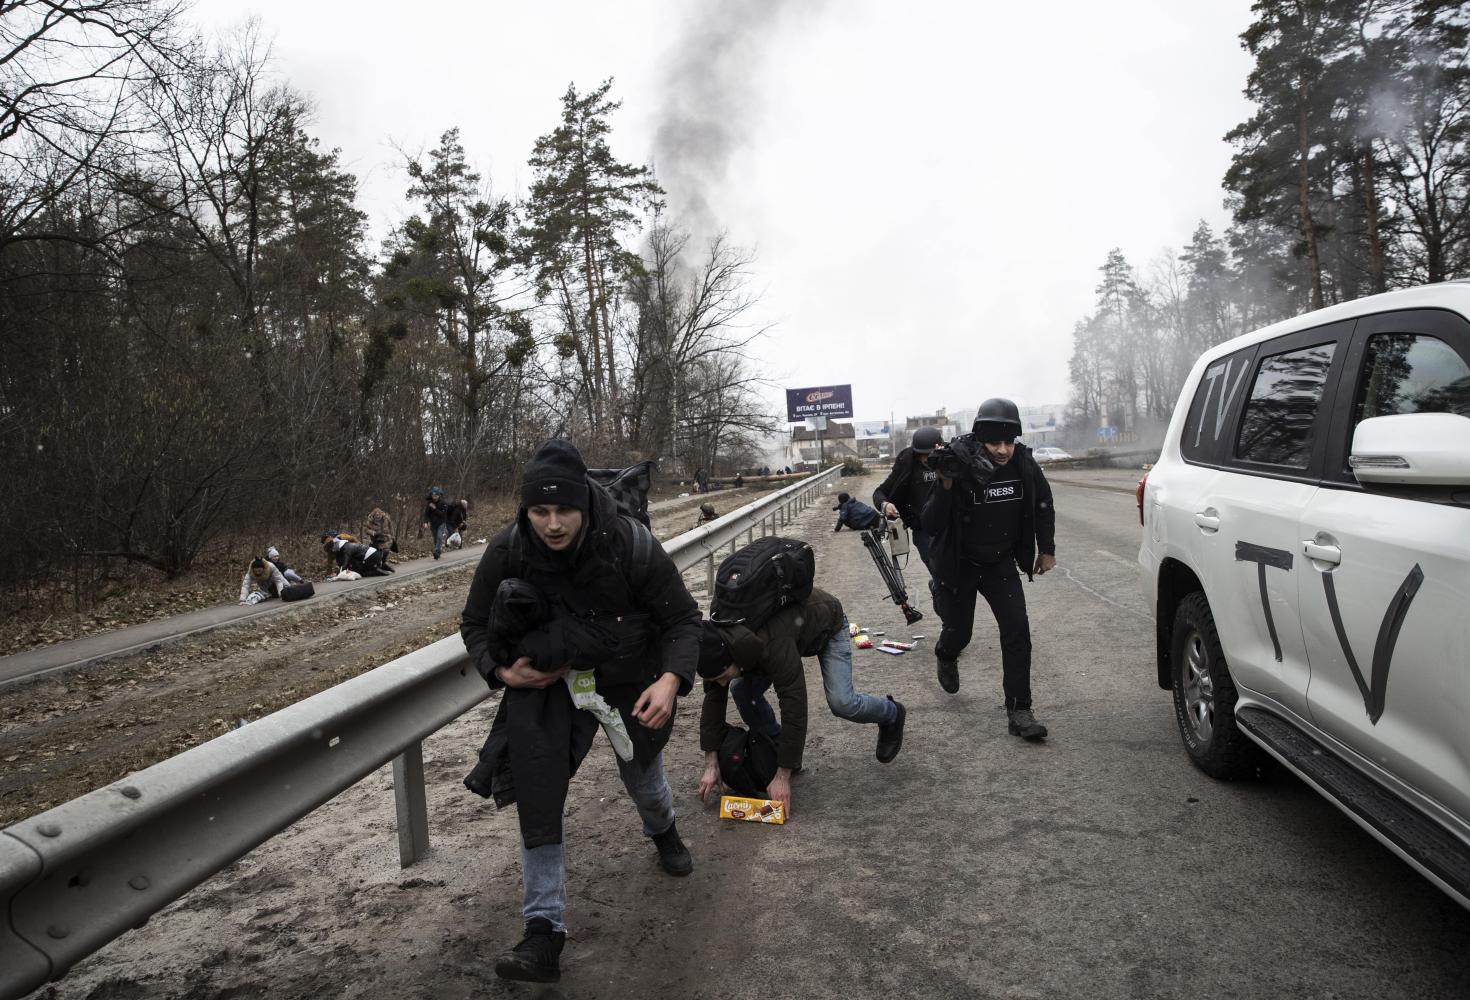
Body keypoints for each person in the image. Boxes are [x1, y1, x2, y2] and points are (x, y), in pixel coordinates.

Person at [460, 438, 702, 985]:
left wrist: (670, 680)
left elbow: (684, 621)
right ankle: (542, 932)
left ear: (584, 506)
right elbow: (473, 625)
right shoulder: (509, 548)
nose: (551, 524)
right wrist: (500, 672)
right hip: (548, 680)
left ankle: (662, 829)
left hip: (626, 676)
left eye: (563, 510)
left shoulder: (630, 544)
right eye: (539, 511)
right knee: (536, 790)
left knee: (644, 782)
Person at [696, 587, 905, 816]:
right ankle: (778, 747)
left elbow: (794, 705)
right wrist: (711, 763)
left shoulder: (772, 645)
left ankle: (892, 713)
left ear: (732, 657)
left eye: (722, 675)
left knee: (842, 702)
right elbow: (714, 700)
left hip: (827, 626)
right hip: (787, 634)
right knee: (740, 689)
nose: (721, 682)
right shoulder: (717, 641)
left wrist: (782, 775)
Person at [921, 398, 1056, 740]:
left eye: (1008, 442)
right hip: (961, 565)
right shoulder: (959, 465)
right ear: (981, 439)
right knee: (960, 632)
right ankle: (946, 652)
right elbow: (931, 522)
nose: (1002, 450)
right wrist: (946, 486)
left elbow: (1044, 504)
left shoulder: (1023, 464)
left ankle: (1020, 711)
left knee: (1017, 631)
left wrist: (1048, 549)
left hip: (1000, 564)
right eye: (995, 443)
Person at [874, 425, 945, 573]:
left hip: (950, 528)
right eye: (923, 455)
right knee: (940, 574)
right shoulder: (907, 464)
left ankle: (938, 589)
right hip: (923, 531)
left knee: (957, 578)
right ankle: (938, 588)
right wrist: (885, 505)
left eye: (931, 455)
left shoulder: (952, 461)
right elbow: (880, 492)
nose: (927, 459)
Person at [322, 535, 393, 576]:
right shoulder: (345, 544)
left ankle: (379, 571)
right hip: (375, 553)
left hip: (373, 555)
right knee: (358, 565)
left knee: (361, 573)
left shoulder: (347, 548)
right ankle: (384, 566)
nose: (333, 550)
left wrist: (339, 574)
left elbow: (345, 564)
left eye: (332, 548)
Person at [423, 486, 451, 559]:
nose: (434, 497)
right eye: (433, 495)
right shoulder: (430, 503)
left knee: (439, 537)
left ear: (439, 495)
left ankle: (436, 551)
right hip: (433, 523)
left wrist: (435, 509)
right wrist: (426, 522)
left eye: (436, 496)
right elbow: (426, 513)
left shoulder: (443, 503)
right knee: (435, 538)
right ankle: (438, 552)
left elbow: (443, 515)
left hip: (441, 523)